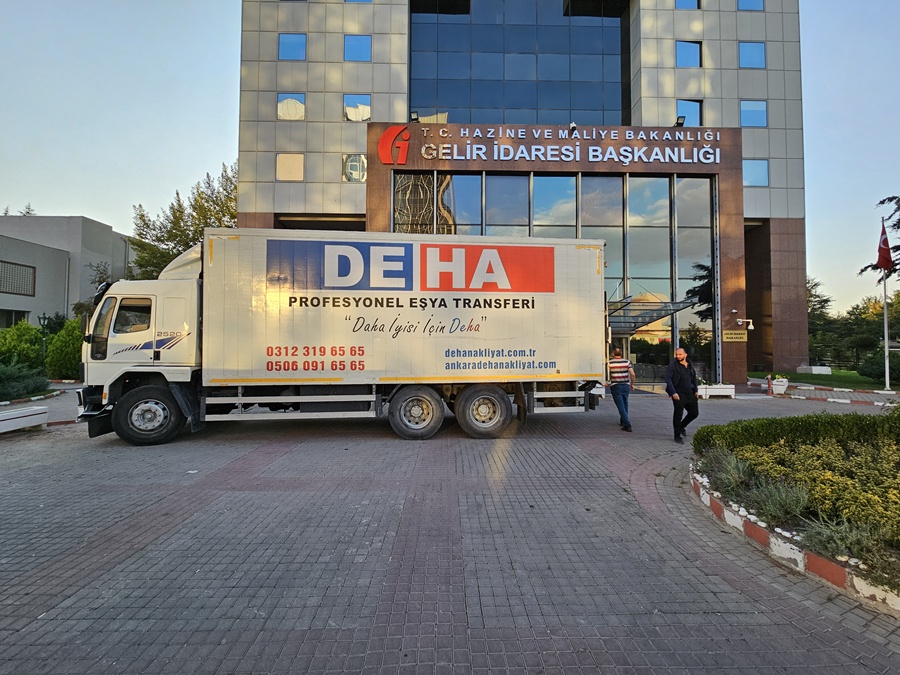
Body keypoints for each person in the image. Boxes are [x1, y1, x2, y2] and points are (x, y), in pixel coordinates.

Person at [665, 347, 699, 444]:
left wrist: (696, 390)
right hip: (678, 393)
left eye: (680, 354)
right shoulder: (673, 365)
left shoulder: (690, 364)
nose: (678, 356)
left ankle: (681, 426)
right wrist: (673, 392)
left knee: (694, 413)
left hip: (690, 393)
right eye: (677, 354)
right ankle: (677, 435)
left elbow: (694, 378)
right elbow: (668, 378)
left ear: (685, 355)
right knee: (678, 414)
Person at [608, 346, 635, 432]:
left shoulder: (610, 363)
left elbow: (607, 374)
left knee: (620, 406)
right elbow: (632, 374)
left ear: (613, 354)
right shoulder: (627, 362)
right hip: (625, 385)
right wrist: (632, 384)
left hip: (616, 386)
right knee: (625, 403)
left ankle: (627, 424)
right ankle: (623, 421)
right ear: (621, 353)